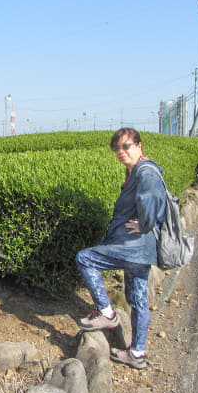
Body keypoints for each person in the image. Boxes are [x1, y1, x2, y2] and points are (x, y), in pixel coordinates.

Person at [76, 128, 166, 369]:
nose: (121, 152)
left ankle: (107, 312)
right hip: (141, 250)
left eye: (126, 146)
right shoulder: (138, 170)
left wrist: (146, 225)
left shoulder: (145, 172)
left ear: (139, 145)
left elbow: (154, 200)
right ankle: (137, 353)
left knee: (85, 259)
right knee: (137, 299)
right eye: (117, 148)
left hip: (131, 247)